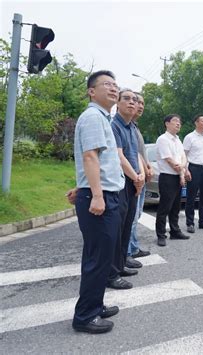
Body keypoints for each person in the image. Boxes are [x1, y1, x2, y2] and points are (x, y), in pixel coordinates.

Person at [70, 70, 124, 334]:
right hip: (100, 197)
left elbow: (96, 162)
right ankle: (85, 316)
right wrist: (97, 195)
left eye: (115, 85)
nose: (113, 88)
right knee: (97, 258)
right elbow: (90, 157)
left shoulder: (102, 117)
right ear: (92, 91)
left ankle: (95, 303)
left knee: (100, 257)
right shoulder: (93, 117)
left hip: (98, 193)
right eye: (107, 84)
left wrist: (82, 186)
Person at [107, 89, 145, 290]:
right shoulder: (115, 126)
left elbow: (134, 155)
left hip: (133, 182)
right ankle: (111, 274)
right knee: (118, 228)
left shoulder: (131, 127)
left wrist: (139, 177)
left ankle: (120, 265)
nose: (132, 103)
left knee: (127, 225)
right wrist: (136, 176)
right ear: (118, 104)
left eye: (135, 100)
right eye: (127, 99)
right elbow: (119, 157)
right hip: (121, 182)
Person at [155, 114, 190, 247]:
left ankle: (175, 231)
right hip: (167, 177)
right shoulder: (163, 139)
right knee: (165, 207)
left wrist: (181, 173)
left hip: (177, 176)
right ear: (167, 124)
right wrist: (180, 170)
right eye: (175, 121)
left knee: (176, 207)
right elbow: (169, 160)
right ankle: (161, 235)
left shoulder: (178, 140)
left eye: (179, 121)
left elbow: (183, 157)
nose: (178, 124)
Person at [128, 93, 152, 258]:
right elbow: (132, 154)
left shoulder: (134, 127)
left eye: (142, 103)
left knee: (137, 215)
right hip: (133, 177)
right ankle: (128, 251)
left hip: (141, 176)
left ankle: (133, 247)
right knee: (131, 217)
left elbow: (140, 153)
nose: (140, 106)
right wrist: (144, 169)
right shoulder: (124, 126)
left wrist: (148, 166)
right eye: (137, 102)